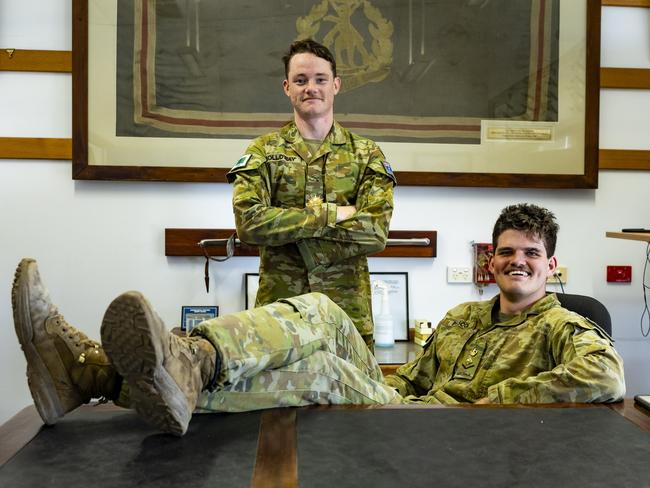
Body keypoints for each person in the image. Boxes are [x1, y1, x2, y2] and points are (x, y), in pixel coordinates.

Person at [11, 204, 625, 437]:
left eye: (531, 255)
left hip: (449, 432)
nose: (518, 262)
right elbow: (412, 380)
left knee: (326, 370)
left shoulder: (562, 326)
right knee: (326, 315)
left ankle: (93, 374)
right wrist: (405, 392)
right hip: (407, 411)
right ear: (490, 260)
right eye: (507, 252)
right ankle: (176, 363)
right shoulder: (464, 315)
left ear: (551, 265)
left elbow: (605, 375)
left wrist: (482, 405)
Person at [226, 39, 396, 350]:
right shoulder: (263, 151)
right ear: (287, 87)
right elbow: (249, 224)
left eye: (320, 79)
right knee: (280, 399)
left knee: (353, 399)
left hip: (347, 318)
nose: (311, 88)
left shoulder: (366, 153)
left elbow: (375, 233)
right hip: (279, 317)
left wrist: (287, 231)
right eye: (301, 81)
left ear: (336, 85)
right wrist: (333, 214)